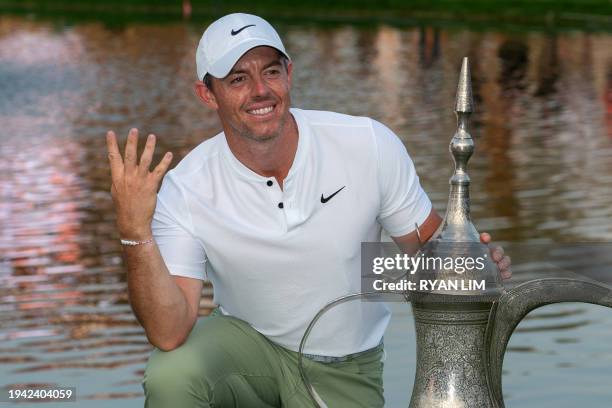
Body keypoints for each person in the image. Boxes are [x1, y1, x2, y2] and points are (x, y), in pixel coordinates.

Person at [105, 13, 512, 408]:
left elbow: (424, 249)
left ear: (289, 74)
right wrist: (133, 231)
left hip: (345, 367)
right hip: (248, 350)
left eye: (271, 71)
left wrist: (470, 262)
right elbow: (169, 331)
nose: (260, 90)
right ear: (207, 94)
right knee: (172, 375)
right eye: (238, 79)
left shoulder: (367, 144)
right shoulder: (185, 185)